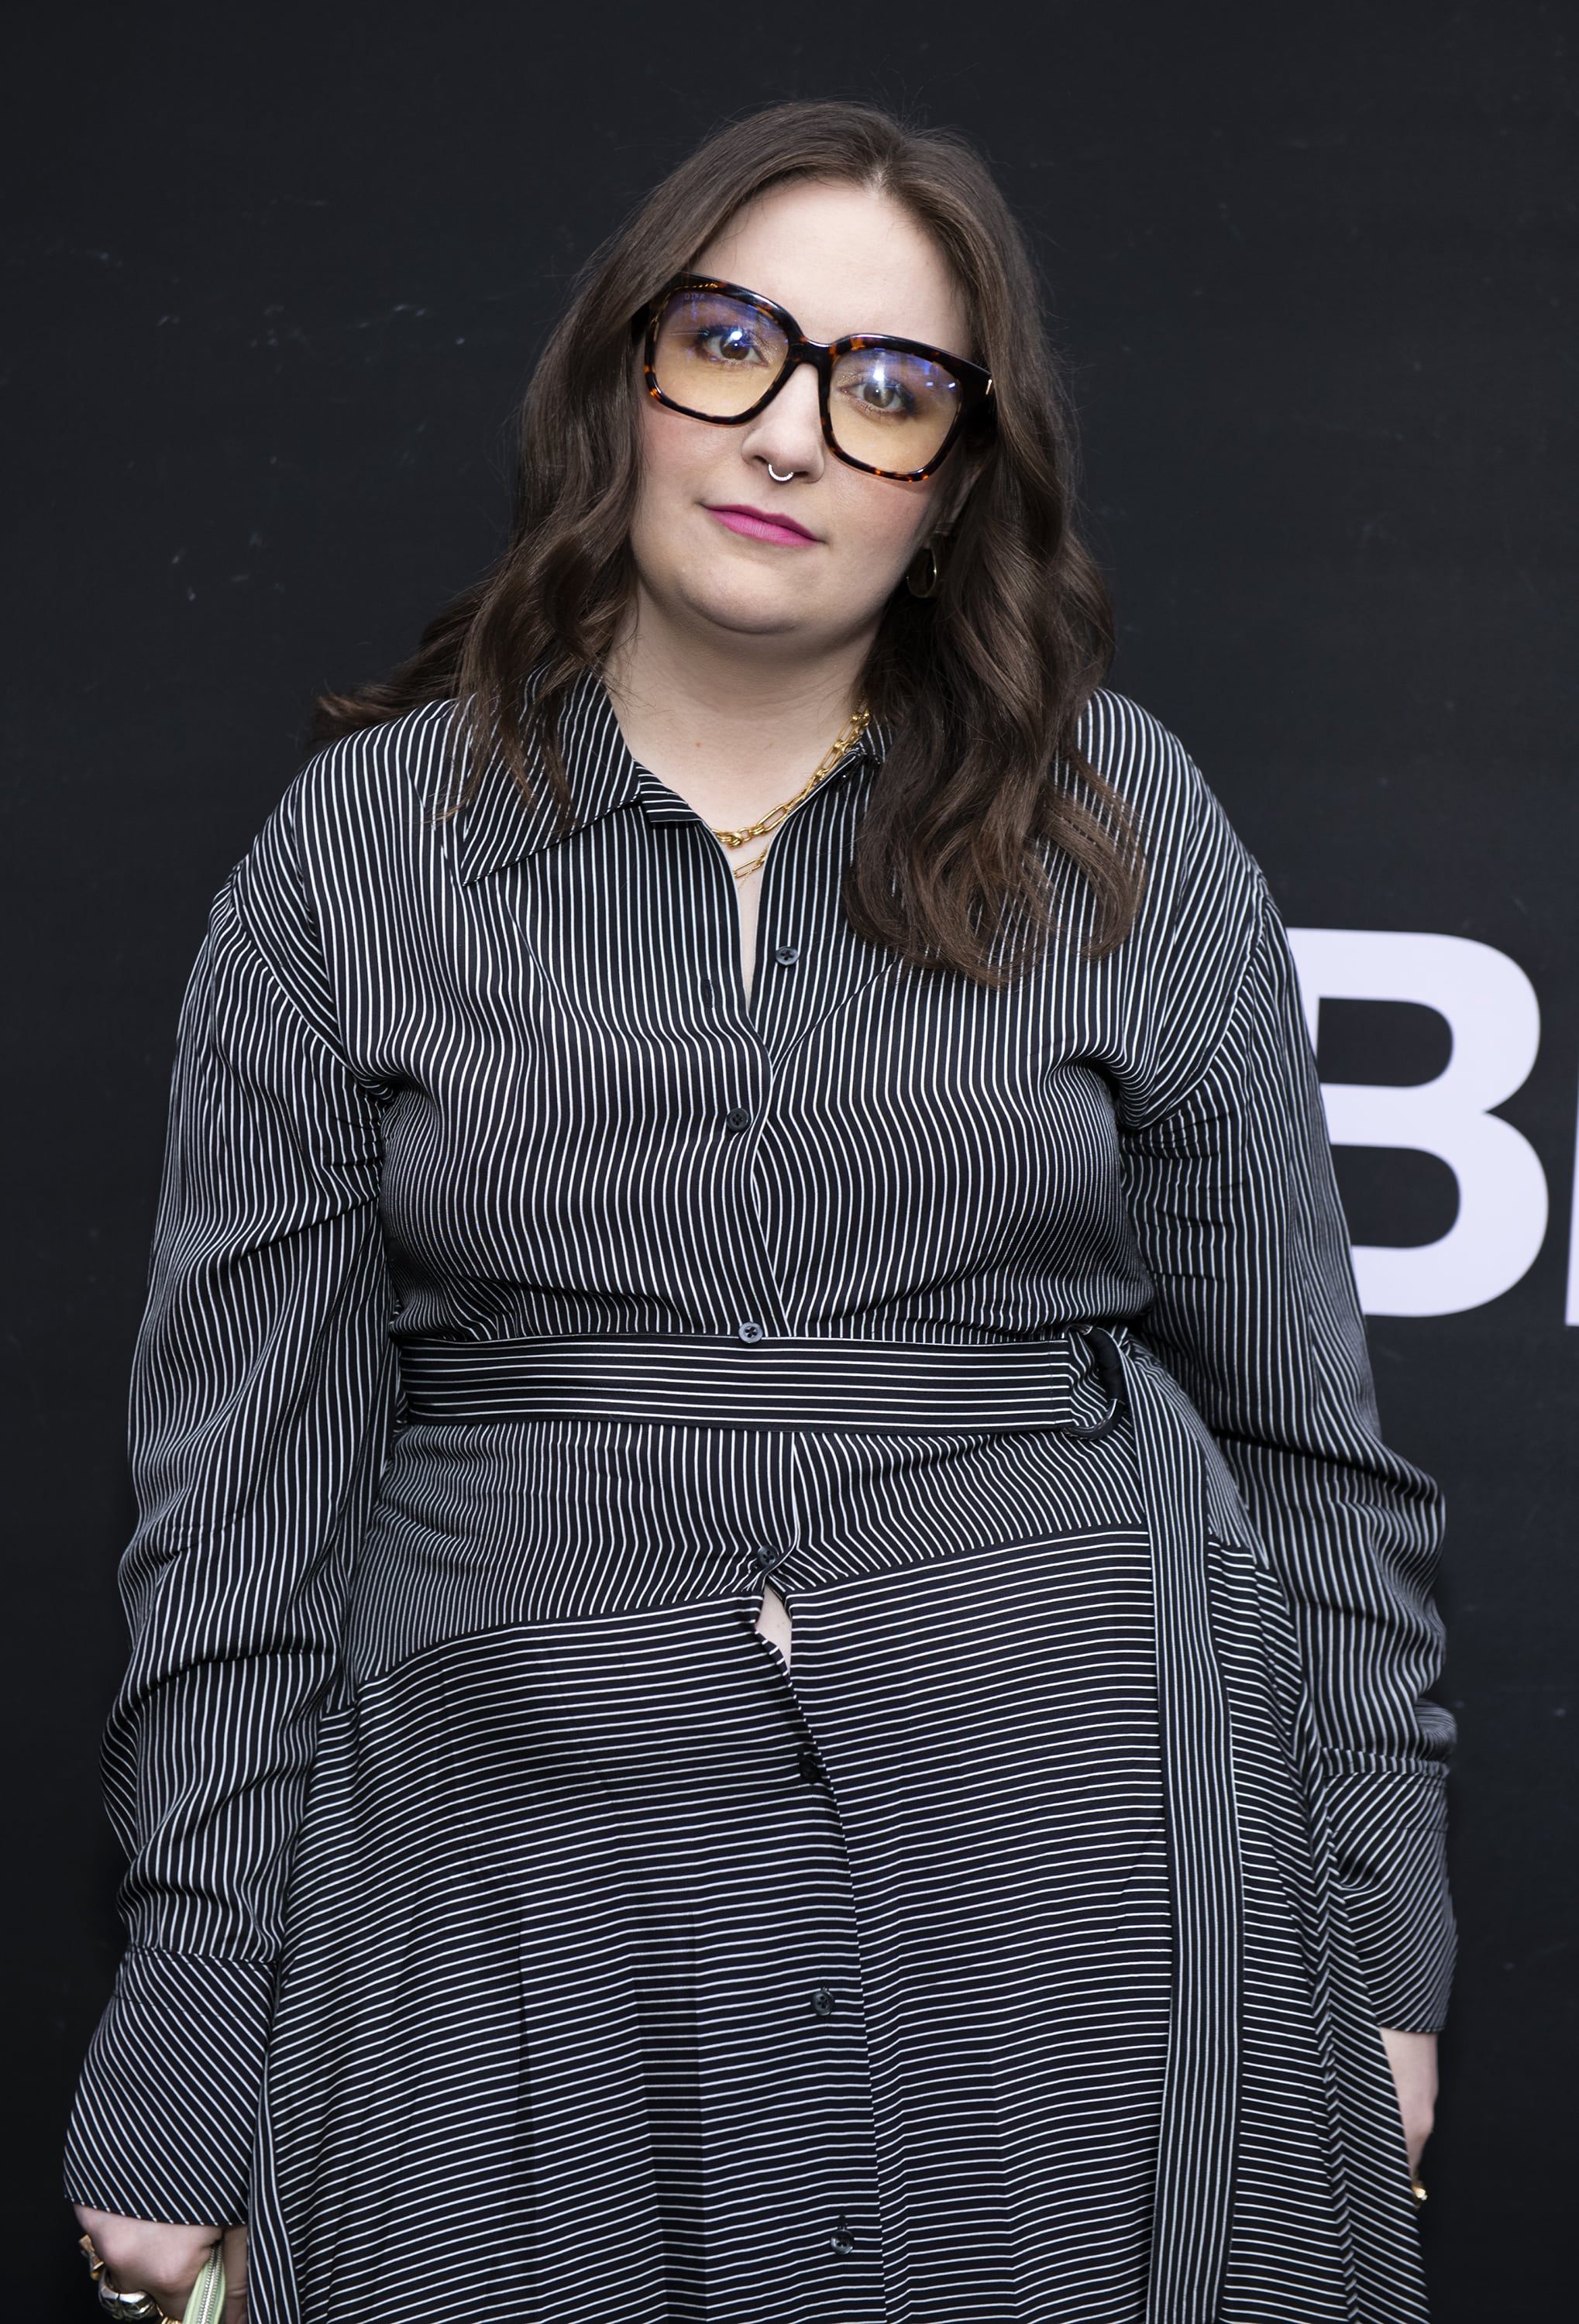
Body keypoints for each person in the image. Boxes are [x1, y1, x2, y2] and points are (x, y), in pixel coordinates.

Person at [66, 98, 1451, 2324]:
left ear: (963, 476)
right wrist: (187, 2030)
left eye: (889, 389)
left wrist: (1381, 1945)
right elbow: (237, 1514)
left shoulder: (1125, 828)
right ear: (624, 372)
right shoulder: (353, 862)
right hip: (520, 1895)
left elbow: (1309, 1444)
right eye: (733, 345)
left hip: (1086, 1881)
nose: (794, 434)